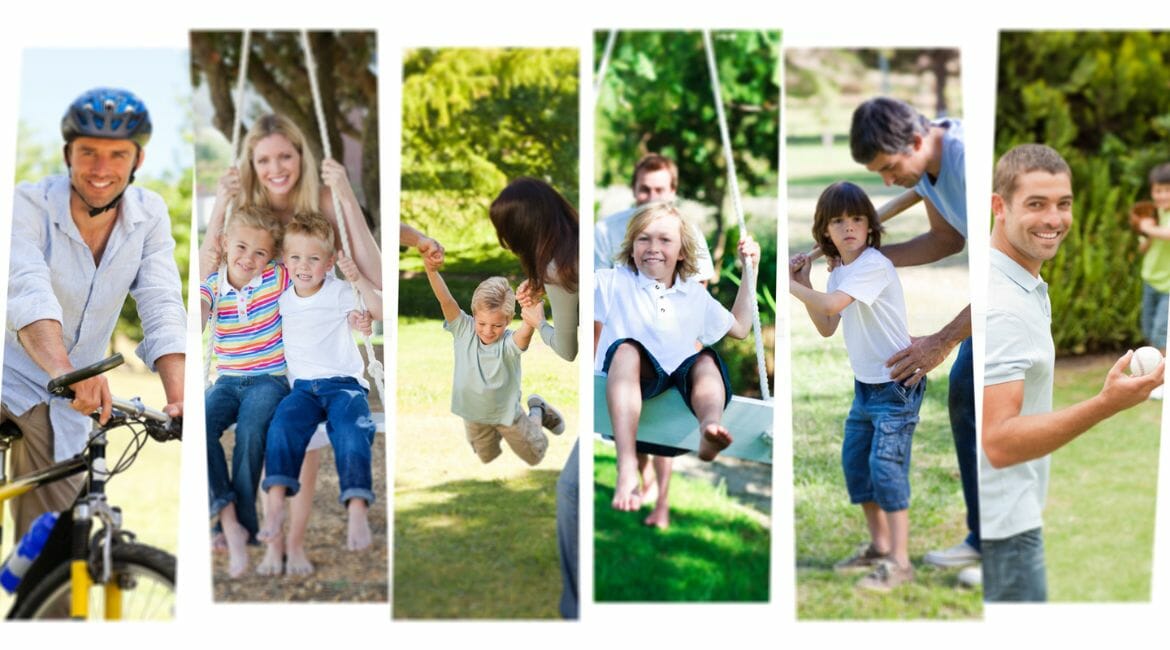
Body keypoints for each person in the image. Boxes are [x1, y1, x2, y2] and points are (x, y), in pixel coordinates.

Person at [982, 144, 1164, 601]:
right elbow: (999, 442)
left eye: (1063, 204)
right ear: (999, 207)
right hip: (1004, 528)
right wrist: (1106, 404)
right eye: (1037, 204)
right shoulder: (1002, 306)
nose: (1054, 219)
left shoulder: (1016, 283)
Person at [3, 87, 186, 542]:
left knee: (56, 558)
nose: (101, 169)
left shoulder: (151, 216)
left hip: (65, 406)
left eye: (117, 154)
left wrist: (179, 400)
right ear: (68, 153)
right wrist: (68, 371)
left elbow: (162, 301)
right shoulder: (25, 204)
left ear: (138, 160)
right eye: (89, 152)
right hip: (11, 375)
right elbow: (26, 290)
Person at [200, 113, 382, 563]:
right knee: (268, 441)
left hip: (302, 359)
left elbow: (375, 275)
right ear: (251, 163)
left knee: (303, 449)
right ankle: (262, 542)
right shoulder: (241, 206)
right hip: (255, 358)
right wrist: (220, 205)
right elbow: (208, 274)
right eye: (264, 159)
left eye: (285, 155)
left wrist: (343, 193)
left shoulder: (319, 200)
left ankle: (292, 546)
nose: (276, 168)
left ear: (302, 156)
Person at [850, 97, 979, 579]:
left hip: (1015, 290)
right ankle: (984, 539)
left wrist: (942, 341)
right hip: (999, 293)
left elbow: (1001, 270)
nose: (886, 181)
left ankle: (1004, 552)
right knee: (967, 403)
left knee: (988, 406)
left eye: (888, 168)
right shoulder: (928, 163)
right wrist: (865, 259)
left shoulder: (966, 159)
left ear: (918, 141)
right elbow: (947, 239)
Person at [789, 181, 924, 591]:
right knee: (856, 466)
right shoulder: (841, 272)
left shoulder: (873, 265)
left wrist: (788, 285)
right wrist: (806, 283)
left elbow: (832, 308)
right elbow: (828, 325)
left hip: (896, 387)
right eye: (838, 221)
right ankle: (880, 547)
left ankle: (901, 562)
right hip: (865, 388)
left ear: (869, 227)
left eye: (857, 219)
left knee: (886, 469)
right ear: (825, 232)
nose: (848, 227)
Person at [595, 202, 760, 512]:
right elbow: (567, 284)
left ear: (682, 252)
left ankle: (709, 430)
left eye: (665, 240)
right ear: (631, 248)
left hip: (677, 400)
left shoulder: (693, 294)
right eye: (643, 239)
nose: (653, 247)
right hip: (629, 394)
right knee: (627, 349)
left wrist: (752, 269)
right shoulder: (611, 281)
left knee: (705, 362)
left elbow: (740, 327)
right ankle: (627, 466)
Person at [593, 154, 716, 529]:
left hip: (672, 341)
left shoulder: (687, 230)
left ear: (673, 191)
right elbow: (600, 304)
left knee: (663, 428)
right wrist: (598, 363)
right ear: (634, 189)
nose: (650, 196)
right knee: (633, 419)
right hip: (624, 345)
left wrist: (682, 352)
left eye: (659, 189)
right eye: (644, 188)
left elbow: (698, 291)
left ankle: (661, 503)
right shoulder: (606, 230)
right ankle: (636, 474)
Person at [259, 212, 381, 568]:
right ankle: (278, 497)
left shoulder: (341, 292)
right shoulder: (282, 298)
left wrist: (359, 286)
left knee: (352, 429)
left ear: (329, 263)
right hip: (302, 391)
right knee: (281, 426)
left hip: (343, 386)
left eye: (313, 259)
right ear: (285, 259)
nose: (303, 266)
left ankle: (357, 505)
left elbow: (379, 310)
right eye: (295, 257)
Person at [487, 177, 580, 617]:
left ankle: (575, 611)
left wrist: (536, 318)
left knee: (573, 492)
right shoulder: (578, 243)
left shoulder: (559, 269)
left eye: (507, 235)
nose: (506, 243)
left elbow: (567, 348)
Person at [202, 205, 290, 578]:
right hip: (226, 380)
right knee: (199, 428)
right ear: (224, 244)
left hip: (269, 378)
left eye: (260, 253)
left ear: (271, 257)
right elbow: (201, 308)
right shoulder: (213, 285)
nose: (248, 259)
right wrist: (197, 315)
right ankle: (229, 519)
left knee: (253, 434)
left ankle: (237, 528)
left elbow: (313, 267)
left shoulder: (278, 278)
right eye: (240, 247)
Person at [423, 259, 565, 466]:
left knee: (535, 455)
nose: (488, 331)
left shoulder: (508, 343)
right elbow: (446, 301)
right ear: (473, 315)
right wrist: (432, 271)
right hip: (473, 413)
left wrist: (532, 307)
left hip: (506, 413)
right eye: (482, 323)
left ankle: (538, 410)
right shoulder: (463, 330)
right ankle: (498, 435)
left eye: (497, 325)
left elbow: (525, 333)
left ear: (508, 321)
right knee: (487, 457)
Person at [1132, 162, 1170, 390]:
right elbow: (1142, 248)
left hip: (1168, 286)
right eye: (1158, 190)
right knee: (1148, 329)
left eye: (1167, 190)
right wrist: (1145, 232)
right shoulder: (1153, 214)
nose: (1162, 195)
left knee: (1161, 333)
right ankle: (1156, 378)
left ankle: (1163, 382)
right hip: (1150, 281)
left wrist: (1148, 228)